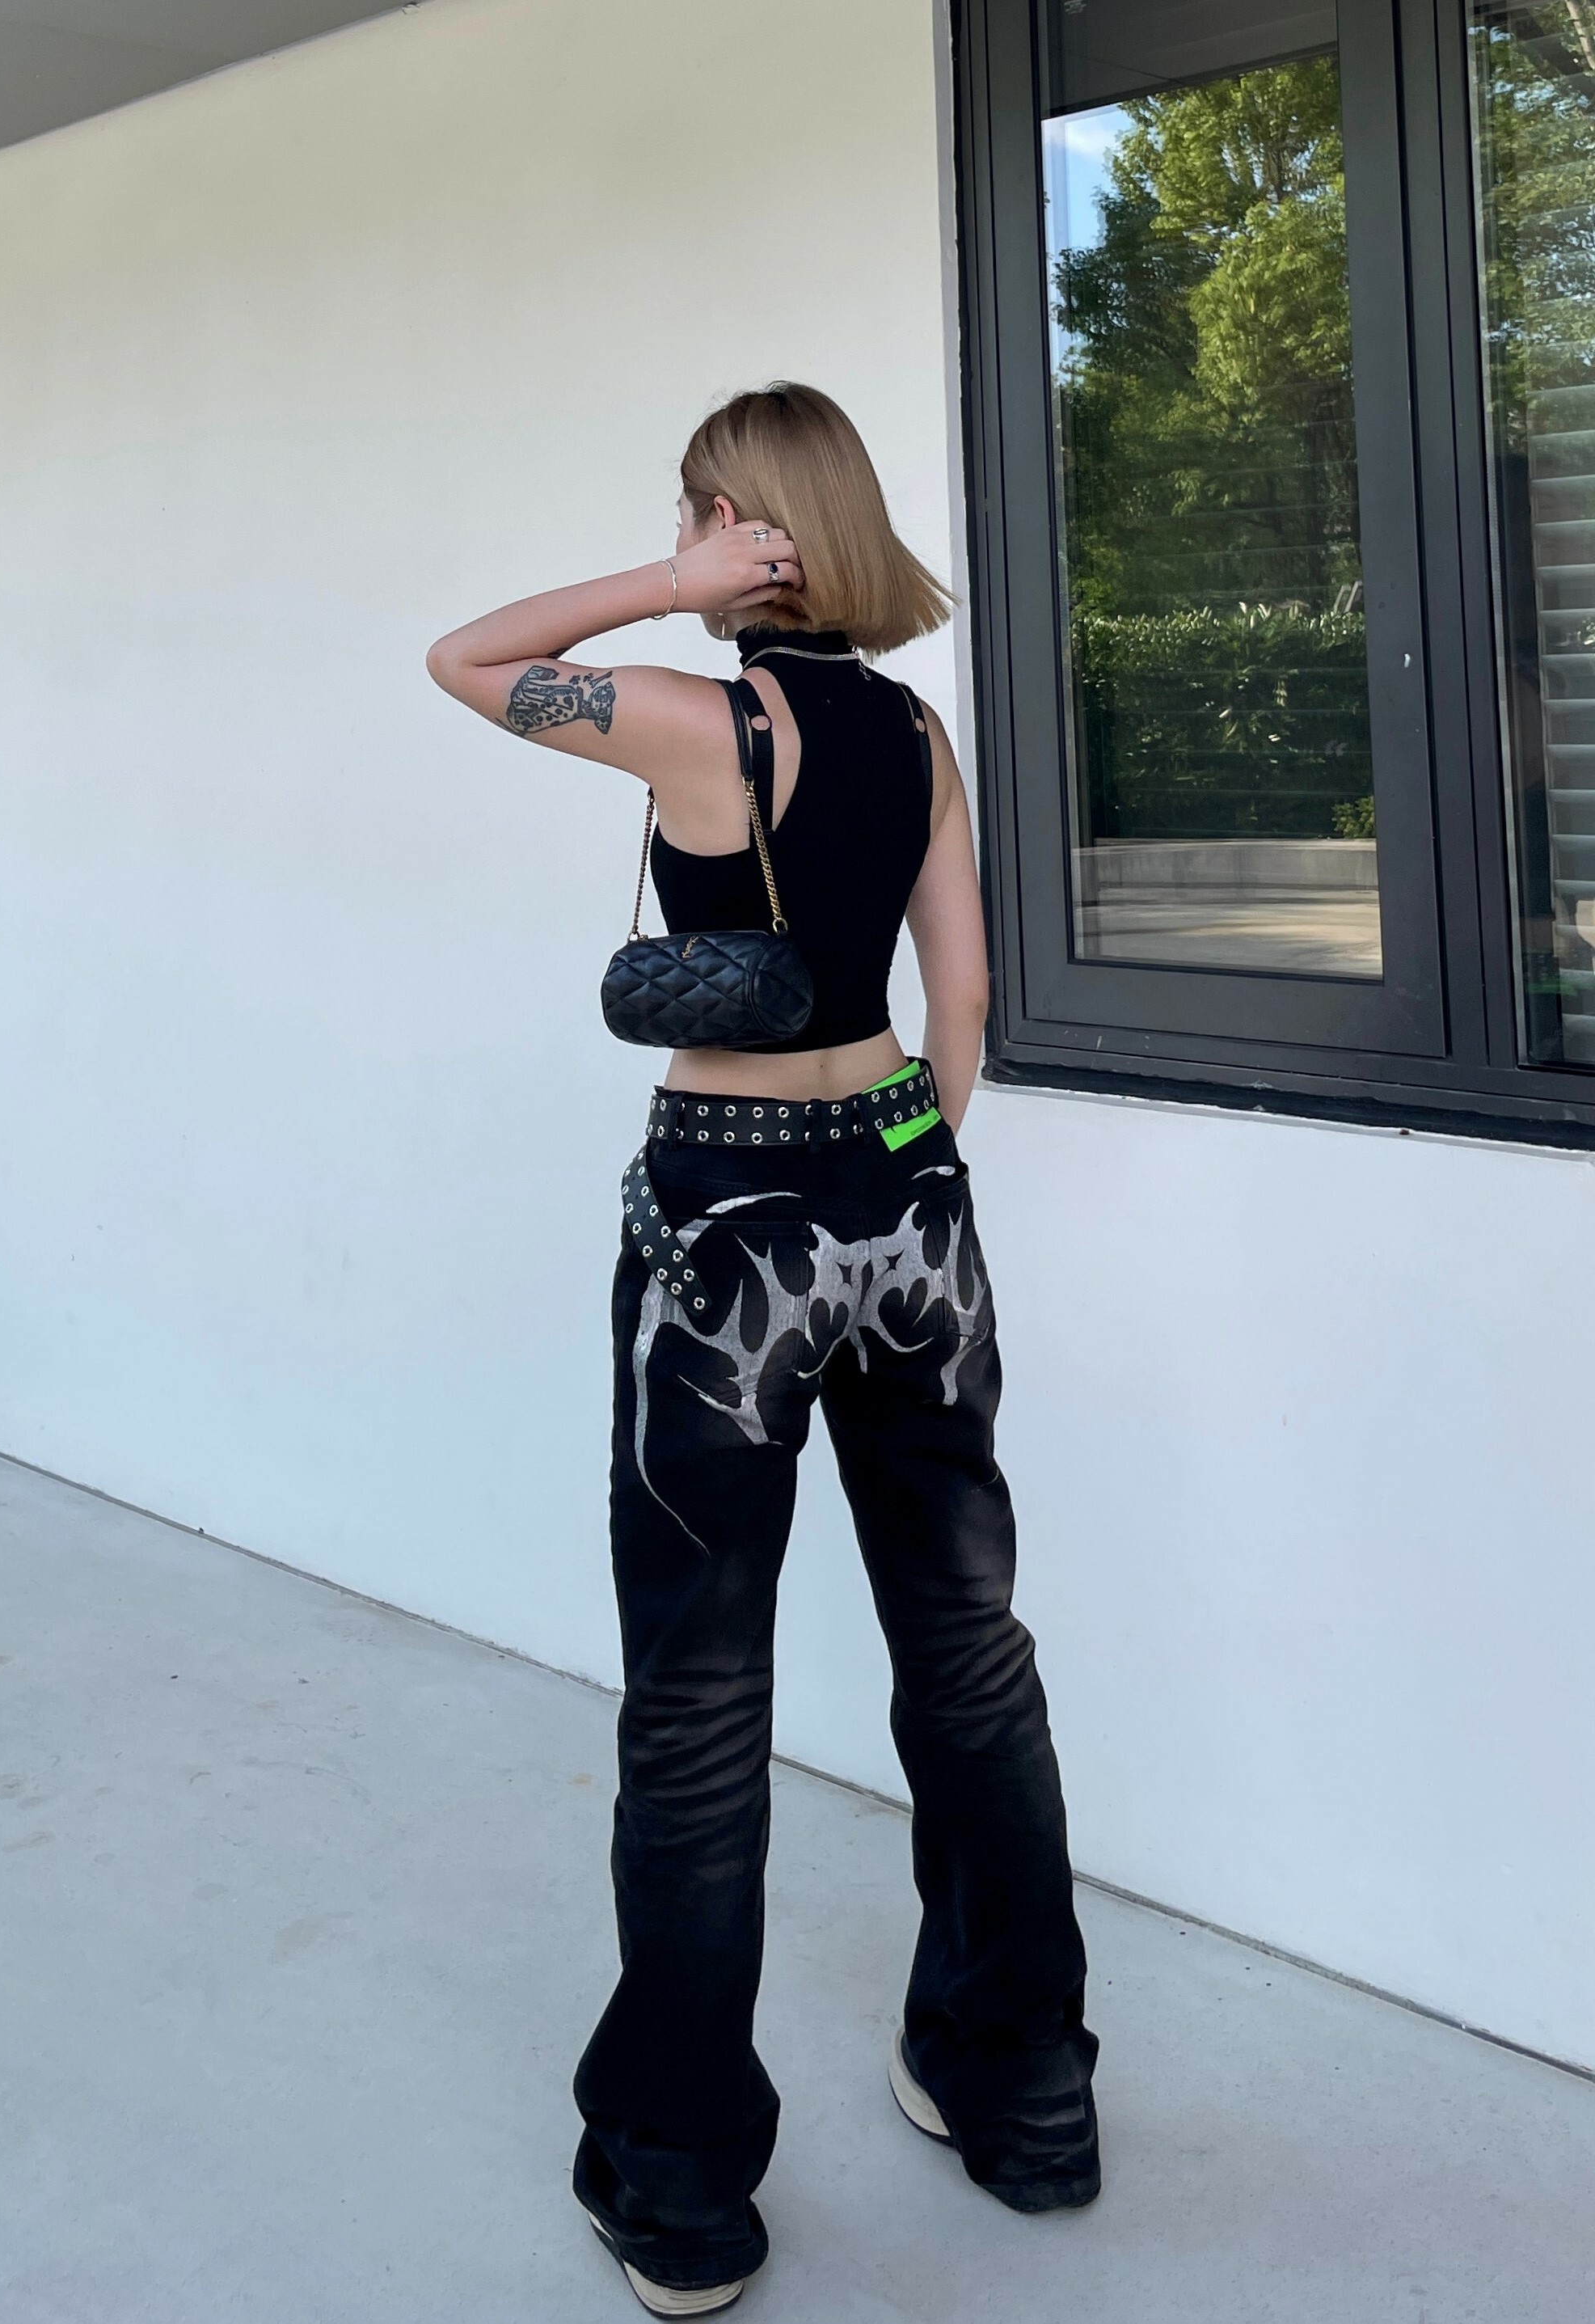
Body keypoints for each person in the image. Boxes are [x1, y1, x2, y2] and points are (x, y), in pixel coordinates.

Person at [428, 382, 1099, 2318]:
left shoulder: (694, 719)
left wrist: (671, 589)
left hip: (724, 1222)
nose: (689, 544)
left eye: (699, 518)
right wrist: (902, 1175)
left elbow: (465, 658)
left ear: (743, 524)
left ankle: (681, 2190)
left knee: (701, 1699)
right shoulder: (915, 731)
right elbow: (962, 995)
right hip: (907, 1205)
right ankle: (1023, 2092)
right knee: (967, 1654)